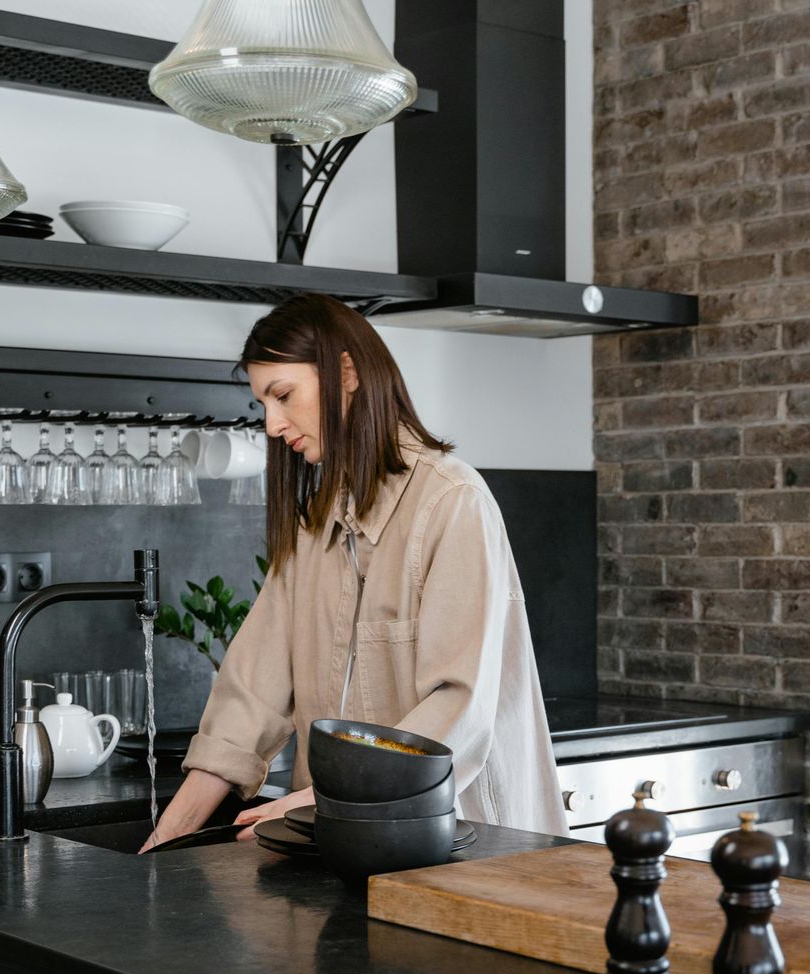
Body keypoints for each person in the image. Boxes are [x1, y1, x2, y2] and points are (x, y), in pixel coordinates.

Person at [140, 294, 563, 851]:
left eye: (283, 396)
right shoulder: (314, 528)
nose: (271, 424)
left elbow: (457, 710)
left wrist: (319, 800)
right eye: (262, 404)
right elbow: (250, 695)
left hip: (470, 847)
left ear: (346, 373)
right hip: (347, 843)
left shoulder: (452, 502)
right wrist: (162, 841)